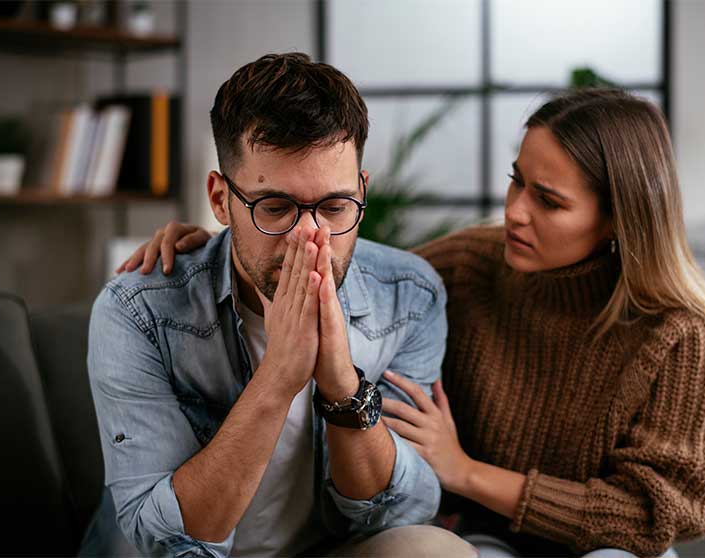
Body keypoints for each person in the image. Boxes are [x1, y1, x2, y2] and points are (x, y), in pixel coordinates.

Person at [129, 89, 705, 557]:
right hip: (483, 543)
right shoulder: (472, 264)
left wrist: (467, 473)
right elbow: (348, 267)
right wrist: (226, 247)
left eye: (548, 200)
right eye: (515, 182)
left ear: (615, 220)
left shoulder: (677, 335)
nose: (515, 212)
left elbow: (658, 515)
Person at [86, 52, 476, 558]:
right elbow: (164, 538)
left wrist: (342, 385)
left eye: (334, 208)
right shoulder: (138, 309)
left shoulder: (408, 295)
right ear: (221, 200)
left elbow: (398, 511)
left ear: (361, 194)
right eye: (277, 208)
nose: (310, 237)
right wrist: (280, 374)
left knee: (435, 551)